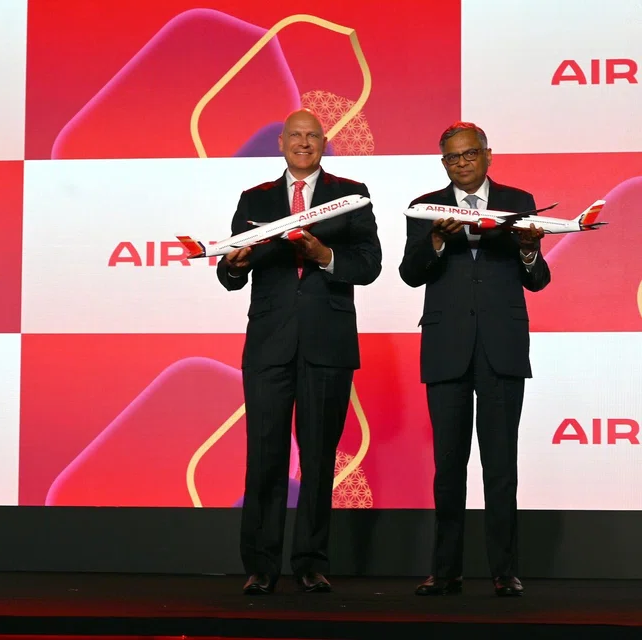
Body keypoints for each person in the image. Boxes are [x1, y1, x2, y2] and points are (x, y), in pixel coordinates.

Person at [217, 109, 382, 595]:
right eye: (295, 135)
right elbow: (229, 275)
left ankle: (310, 562)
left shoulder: (351, 196)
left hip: (328, 345)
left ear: (323, 142)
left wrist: (324, 256)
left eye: (312, 135)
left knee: (318, 457)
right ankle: (261, 565)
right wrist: (235, 265)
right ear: (282, 143)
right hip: (269, 346)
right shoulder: (255, 198)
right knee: (264, 456)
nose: (303, 143)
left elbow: (369, 265)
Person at [399, 122, 549, 597]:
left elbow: (537, 280)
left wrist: (529, 252)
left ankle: (504, 571)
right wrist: (436, 242)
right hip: (447, 348)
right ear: (443, 162)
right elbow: (409, 273)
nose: (461, 163)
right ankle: (446, 571)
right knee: (449, 467)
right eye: (452, 157)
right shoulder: (426, 207)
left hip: (502, 347)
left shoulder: (518, 201)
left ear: (487, 155)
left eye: (469, 154)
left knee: (501, 466)